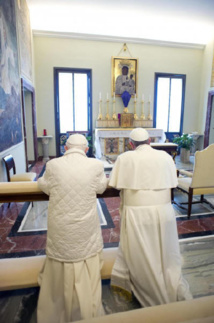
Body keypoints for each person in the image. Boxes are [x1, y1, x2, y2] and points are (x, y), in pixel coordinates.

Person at [109, 128, 192, 307]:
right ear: (149, 141)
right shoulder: (164, 157)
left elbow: (113, 183)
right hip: (164, 212)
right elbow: (173, 182)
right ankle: (169, 283)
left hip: (137, 214)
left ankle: (152, 295)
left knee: (142, 254)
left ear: (131, 144)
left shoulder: (125, 158)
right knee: (164, 249)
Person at [37, 134, 108, 323]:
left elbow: (43, 185)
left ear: (65, 148)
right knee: (85, 254)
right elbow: (102, 187)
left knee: (61, 253)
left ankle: (56, 304)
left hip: (60, 226)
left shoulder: (53, 165)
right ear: (86, 149)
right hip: (85, 226)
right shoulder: (95, 165)